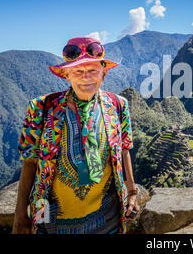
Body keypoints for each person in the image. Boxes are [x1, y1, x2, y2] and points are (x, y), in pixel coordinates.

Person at [12, 37, 139, 234]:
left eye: (92, 71)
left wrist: (131, 192)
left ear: (103, 74)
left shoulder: (118, 105)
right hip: (50, 218)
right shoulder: (40, 108)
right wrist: (20, 215)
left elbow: (124, 150)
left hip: (107, 218)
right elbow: (29, 161)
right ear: (66, 75)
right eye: (78, 71)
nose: (85, 77)